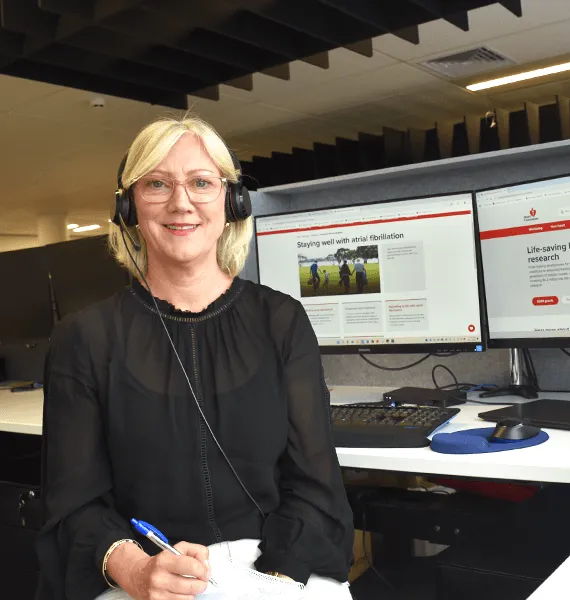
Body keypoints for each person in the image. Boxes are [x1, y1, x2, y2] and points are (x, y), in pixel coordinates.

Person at [36, 115, 354, 600]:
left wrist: (278, 578)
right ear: (129, 208)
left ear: (231, 202)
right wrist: (136, 570)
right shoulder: (83, 337)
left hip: (274, 565)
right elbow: (73, 502)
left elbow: (316, 485)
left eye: (201, 183)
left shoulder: (281, 321)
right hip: (144, 570)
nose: (180, 202)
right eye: (157, 184)